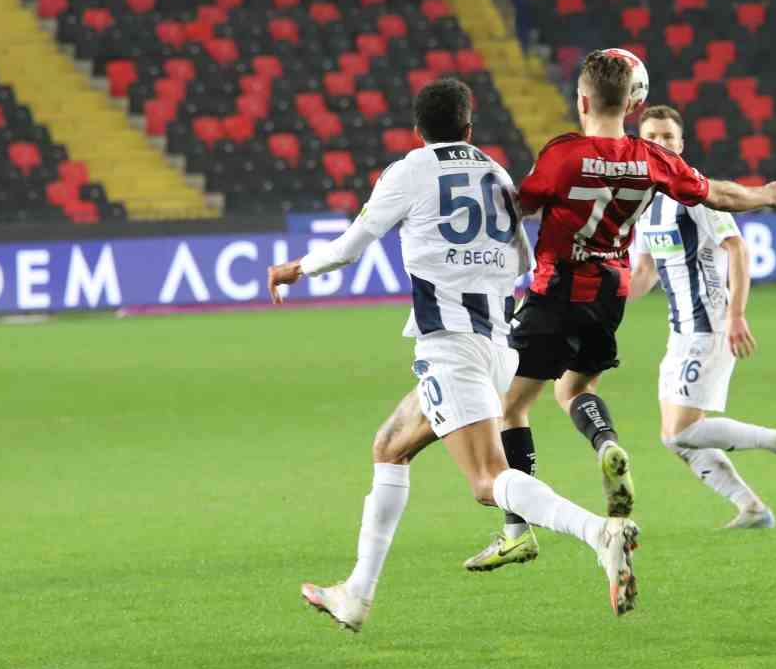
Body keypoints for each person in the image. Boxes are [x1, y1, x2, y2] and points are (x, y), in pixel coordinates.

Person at [267, 78, 641, 628]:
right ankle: (355, 595)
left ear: (417, 131)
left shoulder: (409, 171)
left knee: (487, 482)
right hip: (494, 339)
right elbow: (518, 260)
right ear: (469, 127)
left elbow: (350, 248)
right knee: (390, 446)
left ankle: (598, 532)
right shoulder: (495, 173)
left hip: (449, 344)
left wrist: (296, 268)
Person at [466, 52, 776, 571]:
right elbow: (717, 194)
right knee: (575, 390)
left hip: (555, 290)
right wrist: (766, 195)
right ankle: (606, 446)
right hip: (608, 296)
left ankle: (516, 530)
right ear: (635, 103)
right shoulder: (652, 159)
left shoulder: (561, 154)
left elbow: (517, 207)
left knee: (511, 407)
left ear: (581, 100)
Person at [629, 106, 776, 529]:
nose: (660, 144)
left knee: (681, 431)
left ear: (681, 144)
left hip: (709, 325)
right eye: (651, 137)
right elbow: (643, 272)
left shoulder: (696, 192)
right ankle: (751, 508)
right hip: (679, 330)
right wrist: (603, 305)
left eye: (668, 137)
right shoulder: (644, 203)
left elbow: (737, 249)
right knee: (674, 437)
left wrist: (736, 314)